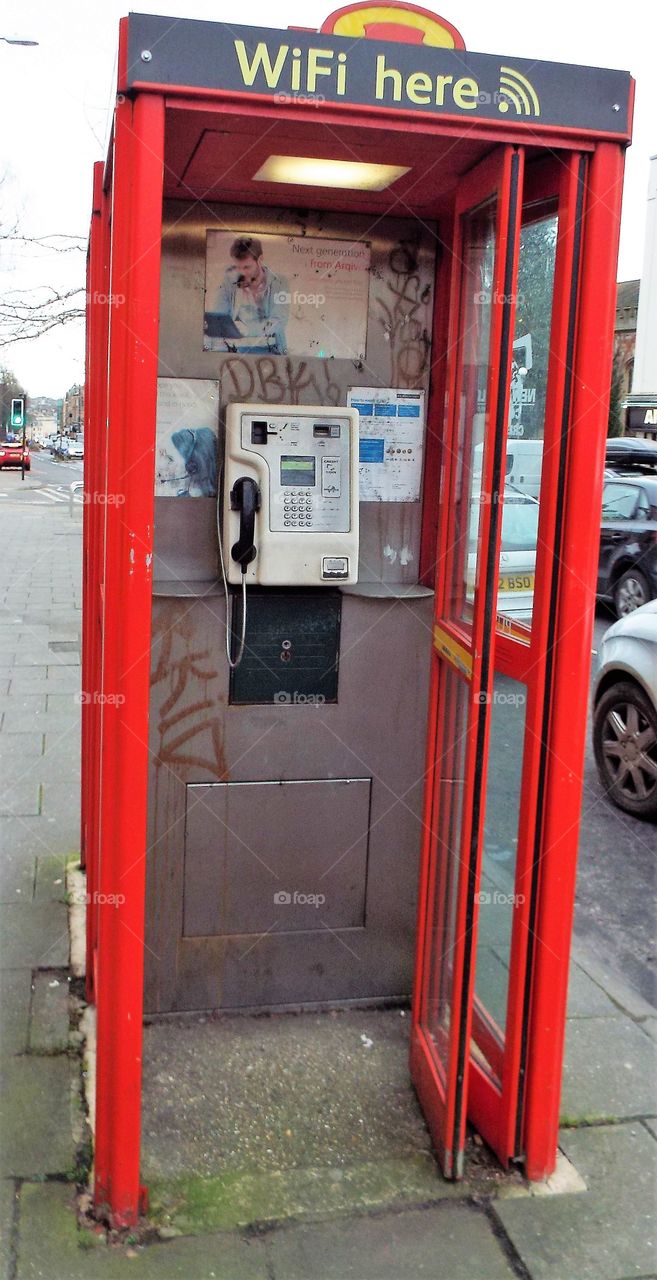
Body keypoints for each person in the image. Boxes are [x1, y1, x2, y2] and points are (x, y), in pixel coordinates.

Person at [210, 236, 289, 353]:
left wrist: (246, 330)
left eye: (247, 267)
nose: (242, 272)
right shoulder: (229, 280)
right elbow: (219, 315)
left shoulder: (280, 282)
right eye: (238, 267)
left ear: (260, 260)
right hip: (234, 349)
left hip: (270, 349)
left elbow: (280, 319)